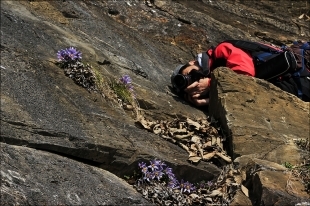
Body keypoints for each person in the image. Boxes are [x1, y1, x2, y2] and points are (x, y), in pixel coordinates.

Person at [171, 41, 310, 106]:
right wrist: (207, 101)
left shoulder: (221, 50)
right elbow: (242, 97)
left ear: (192, 62)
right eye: (192, 84)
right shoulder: (218, 89)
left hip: (300, 73)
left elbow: (244, 76)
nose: (196, 80)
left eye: (190, 74)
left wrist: (210, 84)